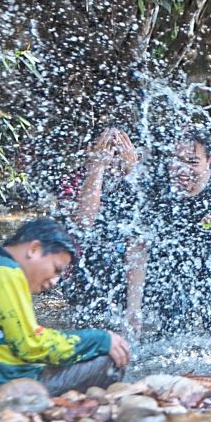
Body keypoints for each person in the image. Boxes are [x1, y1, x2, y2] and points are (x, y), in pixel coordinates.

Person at [0, 217, 131, 409]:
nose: (55, 282)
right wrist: (99, 339)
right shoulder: (7, 273)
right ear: (34, 249)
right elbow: (30, 344)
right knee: (109, 360)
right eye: (56, 269)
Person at [129, 128, 211, 334]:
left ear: (209, 160)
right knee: (171, 325)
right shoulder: (158, 183)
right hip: (167, 257)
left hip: (210, 255)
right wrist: (133, 310)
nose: (183, 170)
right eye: (177, 160)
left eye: (192, 162)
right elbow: (138, 246)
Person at [58, 127, 146, 328]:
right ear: (90, 150)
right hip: (84, 272)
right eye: (107, 149)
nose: (112, 157)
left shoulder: (136, 181)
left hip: (129, 271)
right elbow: (84, 222)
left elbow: (148, 219)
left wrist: (133, 170)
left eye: (118, 151)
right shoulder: (71, 181)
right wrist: (97, 167)